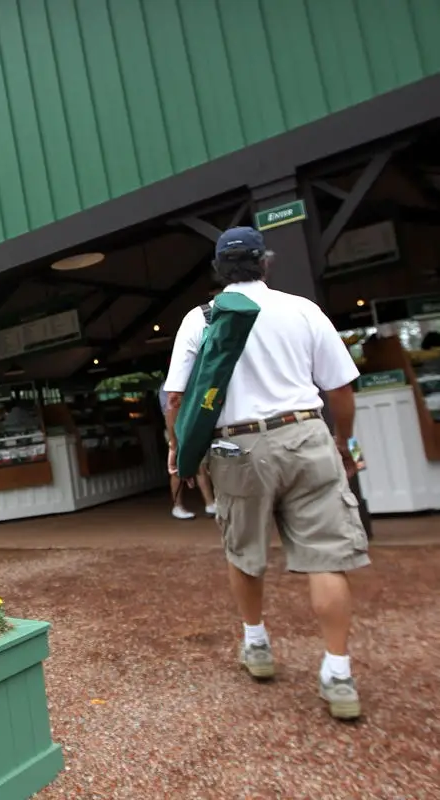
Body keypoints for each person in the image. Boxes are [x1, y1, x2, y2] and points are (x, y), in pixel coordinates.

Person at [163, 226, 369, 721]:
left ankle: (256, 644)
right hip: (305, 435)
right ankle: (338, 673)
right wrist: (344, 443)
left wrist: (179, 448)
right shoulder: (302, 309)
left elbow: (175, 397)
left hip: (236, 447)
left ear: (218, 270)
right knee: (327, 557)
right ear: (265, 264)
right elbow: (340, 389)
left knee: (244, 550)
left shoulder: (201, 318)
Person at [158, 384, 215, 519]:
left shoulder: (189, 382)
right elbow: (170, 414)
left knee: (200, 465)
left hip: (189, 430)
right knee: (177, 469)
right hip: (177, 431)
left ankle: (210, 504)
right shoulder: (169, 386)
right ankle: (177, 506)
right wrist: (173, 441)